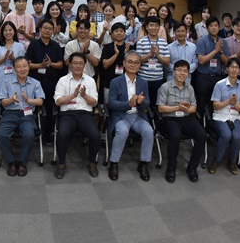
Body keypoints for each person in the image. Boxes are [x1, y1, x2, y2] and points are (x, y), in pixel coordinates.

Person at [107, 51, 155, 181]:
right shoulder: (115, 82)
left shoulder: (143, 82)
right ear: (124, 63)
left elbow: (148, 102)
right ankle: (114, 163)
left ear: (140, 65)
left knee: (149, 131)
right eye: (130, 62)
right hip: (122, 116)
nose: (133, 65)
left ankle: (144, 163)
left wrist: (141, 102)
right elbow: (111, 103)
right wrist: (128, 104)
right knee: (122, 131)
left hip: (138, 116)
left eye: (136, 62)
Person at [156, 59, 206, 183]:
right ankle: (171, 168)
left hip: (187, 117)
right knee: (175, 136)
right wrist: (177, 108)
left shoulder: (190, 88)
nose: (182, 73)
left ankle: (192, 167)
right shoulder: (165, 87)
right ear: (173, 72)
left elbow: (194, 108)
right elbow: (161, 108)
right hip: (170, 118)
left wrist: (186, 109)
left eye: (185, 71)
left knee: (202, 135)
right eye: (179, 70)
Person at [53, 52, 101, 179]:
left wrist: (84, 95)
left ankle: (92, 162)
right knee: (62, 134)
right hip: (67, 114)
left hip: (85, 114)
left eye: (81, 63)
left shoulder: (90, 81)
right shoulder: (62, 81)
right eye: (75, 63)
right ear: (70, 64)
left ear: (84, 65)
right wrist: (73, 96)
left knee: (95, 135)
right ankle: (61, 163)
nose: (78, 66)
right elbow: (58, 102)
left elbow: (94, 102)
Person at [0, 56, 45, 176]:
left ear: (29, 67)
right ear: (14, 69)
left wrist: (28, 100)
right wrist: (11, 100)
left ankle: (22, 162)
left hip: (27, 115)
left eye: (25, 66)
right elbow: (3, 102)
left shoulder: (35, 83)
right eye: (18, 67)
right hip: (10, 114)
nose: (22, 69)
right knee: (1, 135)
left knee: (29, 135)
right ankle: (12, 162)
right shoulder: (6, 82)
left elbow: (40, 102)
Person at [26, 19, 65, 145]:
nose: (47, 30)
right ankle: (34, 134)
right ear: (40, 29)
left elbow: (60, 64)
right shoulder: (33, 44)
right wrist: (40, 65)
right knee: (33, 110)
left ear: (53, 31)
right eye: (45, 28)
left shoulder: (56, 46)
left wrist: (50, 64)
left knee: (50, 110)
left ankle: (47, 135)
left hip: (51, 83)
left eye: (50, 29)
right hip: (35, 82)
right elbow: (27, 64)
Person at [208, 57, 240, 175]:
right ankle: (217, 160)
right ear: (227, 69)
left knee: (237, 137)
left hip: (235, 117)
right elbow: (215, 106)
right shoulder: (219, 85)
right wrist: (228, 102)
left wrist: (236, 104)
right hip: (220, 116)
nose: (234, 70)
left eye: (237, 67)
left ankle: (232, 162)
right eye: (232, 67)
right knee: (226, 135)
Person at [136, 16, 170, 106]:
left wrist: (158, 55)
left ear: (159, 27)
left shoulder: (163, 42)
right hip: (143, 79)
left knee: (156, 105)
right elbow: (138, 62)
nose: (154, 28)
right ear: (146, 27)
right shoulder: (141, 42)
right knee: (143, 104)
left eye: (156, 25)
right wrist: (150, 54)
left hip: (158, 80)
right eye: (151, 25)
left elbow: (167, 62)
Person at [195, 16, 224, 119]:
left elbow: (226, 62)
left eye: (216, 25)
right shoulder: (202, 41)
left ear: (219, 27)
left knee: (215, 104)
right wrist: (215, 51)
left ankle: (212, 125)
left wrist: (220, 52)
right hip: (204, 76)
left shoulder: (222, 41)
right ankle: (200, 125)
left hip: (217, 77)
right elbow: (201, 60)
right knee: (202, 103)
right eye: (211, 26)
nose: (214, 28)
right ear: (207, 28)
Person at [0, 21, 26, 108]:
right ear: (2, 32)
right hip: (1, 76)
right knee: (1, 101)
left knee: (15, 99)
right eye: (5, 30)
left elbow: (23, 63)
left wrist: (13, 59)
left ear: (14, 31)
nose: (8, 33)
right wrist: (4, 58)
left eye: (10, 30)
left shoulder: (20, 46)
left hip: (15, 75)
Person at [100, 22, 131, 105]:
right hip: (109, 82)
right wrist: (116, 54)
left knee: (124, 106)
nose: (119, 33)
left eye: (121, 31)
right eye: (116, 31)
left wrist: (126, 53)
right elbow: (105, 65)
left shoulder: (128, 47)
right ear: (112, 34)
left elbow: (132, 66)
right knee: (109, 107)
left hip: (125, 83)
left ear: (124, 33)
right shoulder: (107, 47)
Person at [221, 17, 240, 83]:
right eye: (237, 26)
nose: (239, 28)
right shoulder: (225, 41)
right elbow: (223, 61)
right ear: (232, 27)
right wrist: (235, 55)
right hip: (227, 75)